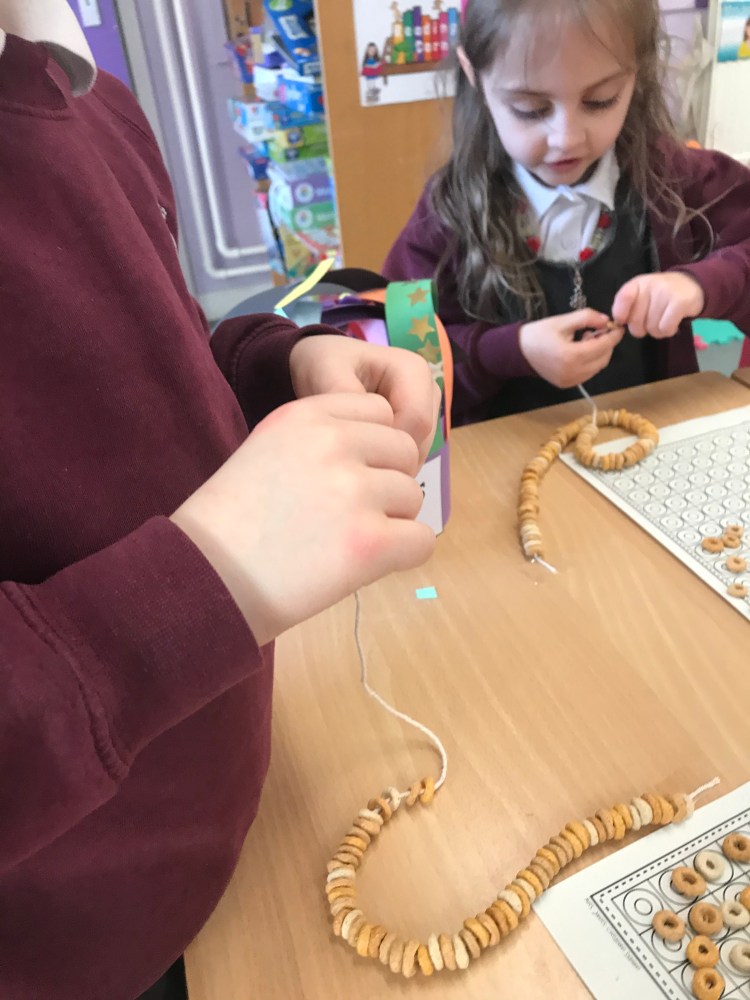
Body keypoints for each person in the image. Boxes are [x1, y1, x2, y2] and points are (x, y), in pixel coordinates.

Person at [0, 4, 439, 999]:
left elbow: (158, 372)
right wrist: (205, 584)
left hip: (234, 849)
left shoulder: (95, 107)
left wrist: (280, 369)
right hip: (71, 960)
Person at [384, 0, 750, 426]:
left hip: (655, 439)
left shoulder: (676, 180)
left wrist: (701, 284)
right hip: (507, 454)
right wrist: (509, 351)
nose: (566, 138)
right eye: (531, 109)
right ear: (473, 74)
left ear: (637, 72)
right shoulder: (447, 214)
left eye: (600, 101)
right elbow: (402, 352)